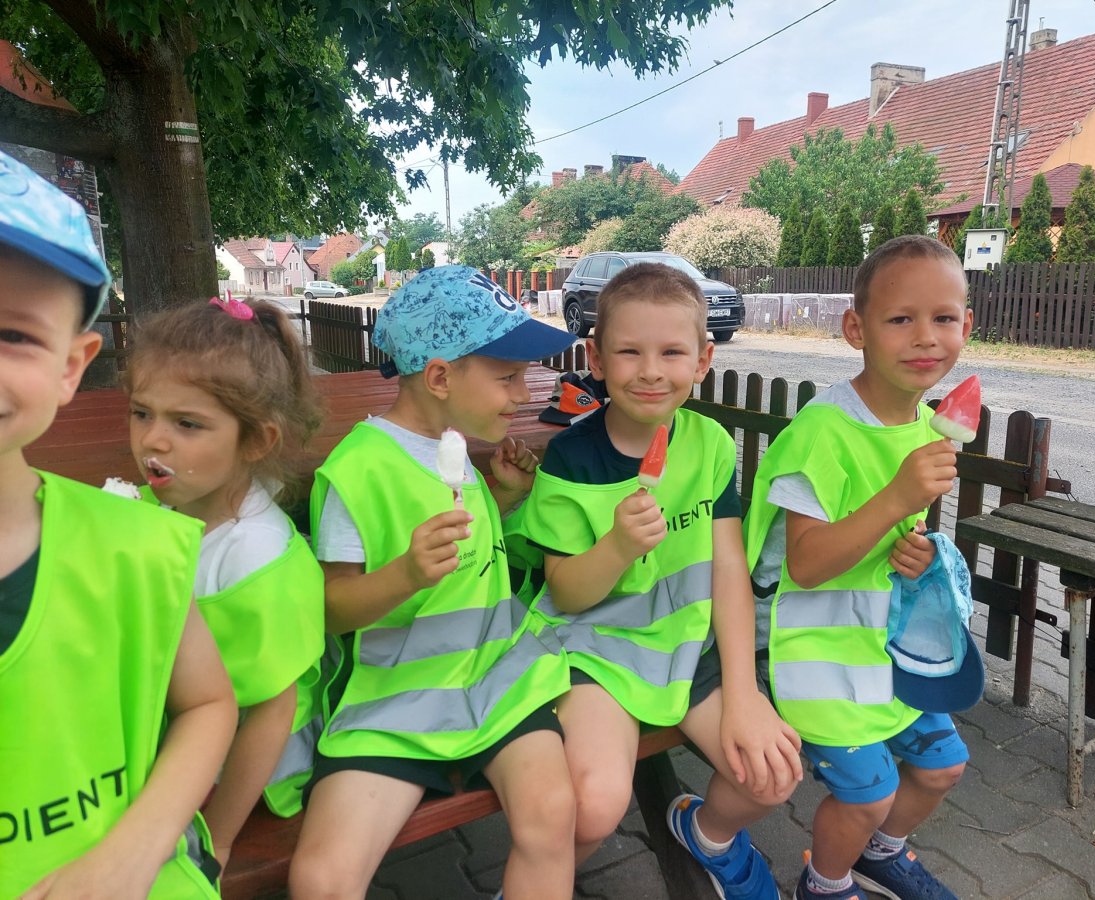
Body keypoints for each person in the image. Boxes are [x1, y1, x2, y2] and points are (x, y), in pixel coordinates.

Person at [512, 262, 805, 900]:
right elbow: (567, 594)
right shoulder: (572, 458)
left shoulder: (710, 444)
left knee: (772, 775)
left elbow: (728, 570)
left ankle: (706, 834)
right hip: (597, 650)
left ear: (703, 361)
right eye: (629, 352)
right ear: (595, 358)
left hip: (686, 644)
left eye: (671, 352)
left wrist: (744, 692)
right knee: (594, 806)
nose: (650, 371)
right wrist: (617, 547)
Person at [288, 266, 578, 900]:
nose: (523, 393)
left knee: (554, 814)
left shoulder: (457, 450)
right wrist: (405, 575)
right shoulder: (359, 470)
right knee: (322, 879)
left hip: (497, 681)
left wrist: (502, 498)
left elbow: (469, 565)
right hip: (397, 700)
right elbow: (331, 608)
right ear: (441, 377)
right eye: (507, 377)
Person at [0, 151, 236, 897]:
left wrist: (135, 850)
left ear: (72, 366)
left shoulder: (137, 549)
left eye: (12, 334)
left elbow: (209, 703)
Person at [743, 235, 974, 900]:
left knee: (942, 768)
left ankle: (881, 855)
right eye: (900, 319)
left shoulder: (925, 425)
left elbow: (894, 534)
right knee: (869, 793)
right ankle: (825, 882)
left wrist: (917, 552)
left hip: (885, 639)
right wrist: (898, 498)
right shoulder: (822, 434)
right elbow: (808, 565)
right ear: (856, 329)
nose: (925, 337)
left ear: (967, 325)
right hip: (815, 648)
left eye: (943, 318)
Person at [123, 295, 327, 864]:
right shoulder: (161, 505)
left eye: (187, 424)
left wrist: (218, 838)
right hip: (178, 721)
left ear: (257, 441)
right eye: (142, 413)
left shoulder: (254, 558)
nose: (152, 440)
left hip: (243, 767)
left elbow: (272, 713)